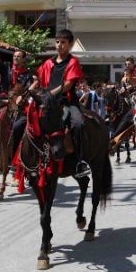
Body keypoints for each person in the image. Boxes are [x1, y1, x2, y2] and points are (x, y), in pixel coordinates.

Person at [32, 29, 90, 178]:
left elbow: (68, 84)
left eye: (63, 42)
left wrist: (51, 94)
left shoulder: (73, 62)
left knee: (78, 124)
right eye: (57, 42)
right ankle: (27, 159)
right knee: (27, 122)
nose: (59, 45)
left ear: (70, 45)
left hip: (68, 102)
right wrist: (29, 92)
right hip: (48, 103)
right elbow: (38, 82)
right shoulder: (47, 63)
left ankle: (80, 161)